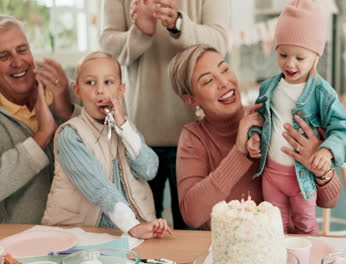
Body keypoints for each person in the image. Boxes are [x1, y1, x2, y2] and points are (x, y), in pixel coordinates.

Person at [100, 0, 229, 229]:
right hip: (138, 139)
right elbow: (107, 49)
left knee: (193, 229)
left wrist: (178, 24)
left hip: (196, 137)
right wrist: (140, 33)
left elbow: (220, 43)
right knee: (141, 229)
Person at [41, 51, 172, 239]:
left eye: (108, 82)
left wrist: (124, 128)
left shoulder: (126, 130)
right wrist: (133, 227)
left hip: (125, 232)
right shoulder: (70, 134)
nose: (100, 90)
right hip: (80, 233)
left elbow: (149, 169)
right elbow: (98, 189)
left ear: (121, 90)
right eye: (90, 83)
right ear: (77, 90)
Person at [246, 0, 346, 234]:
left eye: (300, 58)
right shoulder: (268, 88)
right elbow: (259, 119)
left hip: (302, 178)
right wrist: (253, 137)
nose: (290, 63)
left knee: (305, 224)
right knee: (273, 227)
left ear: (316, 56)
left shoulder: (323, 94)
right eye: (283, 54)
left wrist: (326, 151)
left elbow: (343, 129)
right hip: (271, 173)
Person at [168, 44, 264, 229]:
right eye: (208, 81)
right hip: (224, 252)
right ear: (191, 99)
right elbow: (192, 215)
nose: (224, 83)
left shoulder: (265, 118)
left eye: (225, 69)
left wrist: (321, 169)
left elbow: (328, 200)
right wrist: (239, 151)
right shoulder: (194, 137)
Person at [0, 15, 78, 224]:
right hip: (20, 245)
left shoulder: (63, 90)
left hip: (81, 234)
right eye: (4, 56)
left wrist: (68, 111)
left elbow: (109, 151)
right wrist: (42, 136)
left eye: (22, 50)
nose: (17, 62)